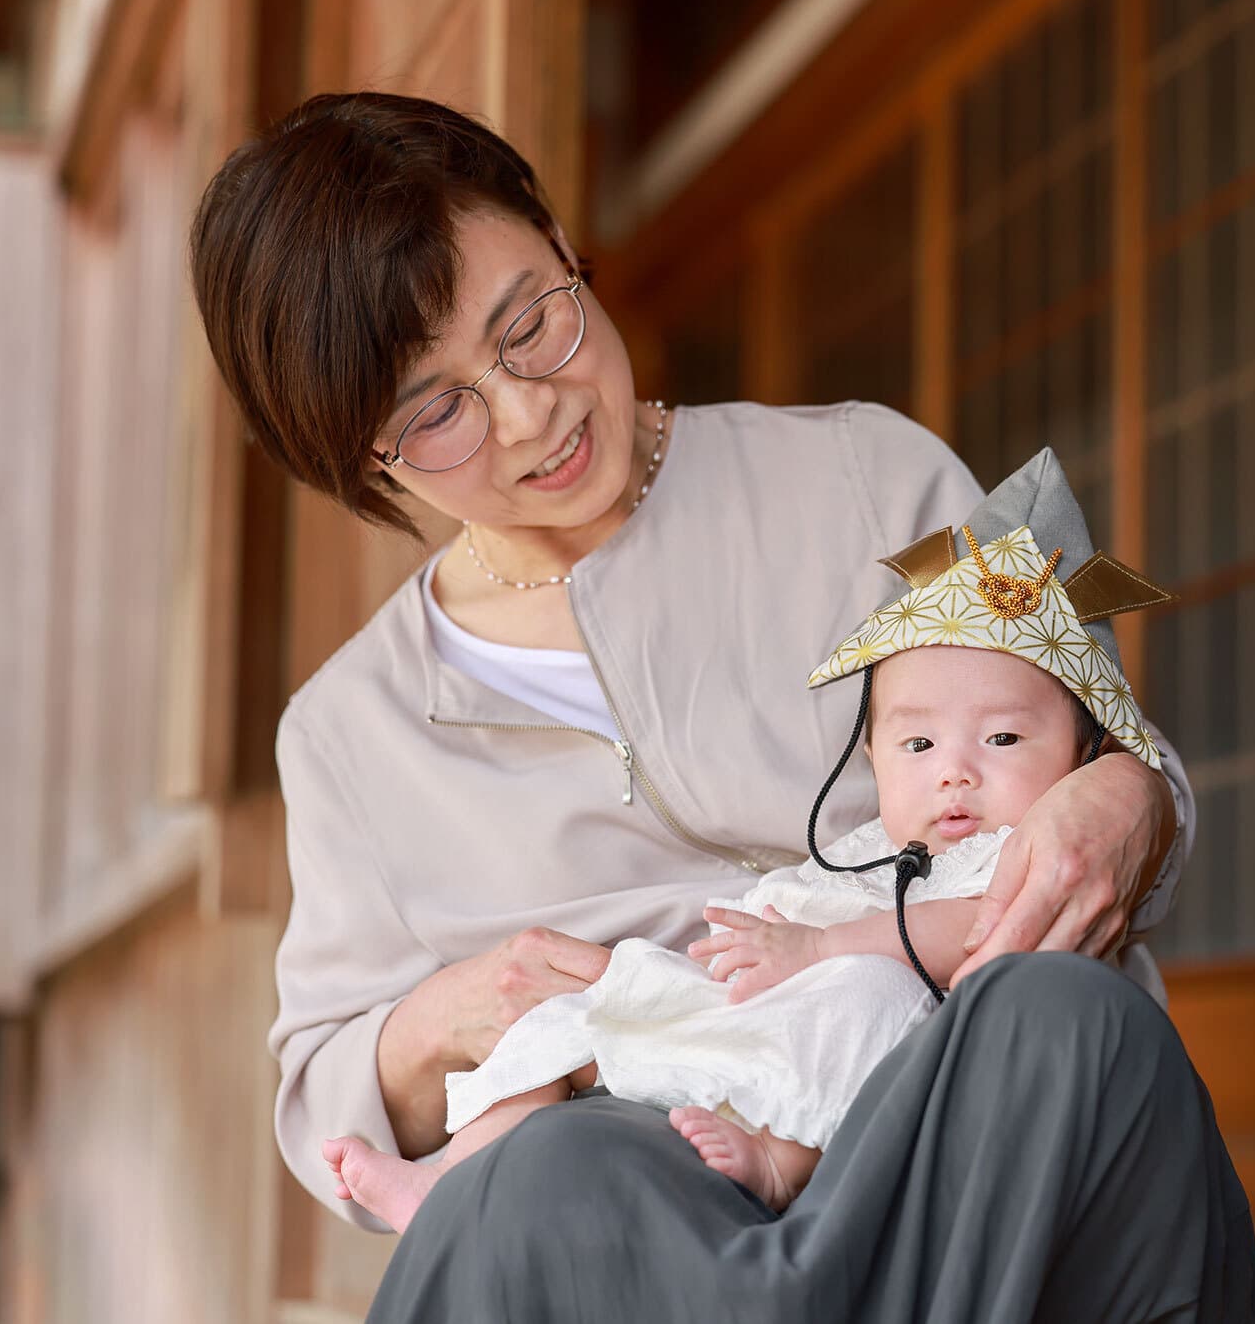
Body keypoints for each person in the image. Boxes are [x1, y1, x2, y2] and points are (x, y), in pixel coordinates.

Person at [191, 90, 1255, 1320]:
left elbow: (1094, 740)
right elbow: (323, 1089)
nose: (530, 410)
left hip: (961, 1130)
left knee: (1063, 1015)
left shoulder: (865, 474)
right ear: (357, 460)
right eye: (435, 410)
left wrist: (1127, 794)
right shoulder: (352, 731)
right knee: (553, 1174)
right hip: (649, 1211)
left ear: (557, 238)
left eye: (530, 320)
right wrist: (442, 1017)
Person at [322, 478, 1180, 1230]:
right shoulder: (870, 847)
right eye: (916, 745)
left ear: (1081, 752)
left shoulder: (1006, 851)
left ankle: (779, 1161)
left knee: (863, 994)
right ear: (871, 755)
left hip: (882, 1044)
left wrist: (817, 947)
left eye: (1001, 736)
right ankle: (447, 1179)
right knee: (576, 1012)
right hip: (749, 1000)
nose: (956, 772)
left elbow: (966, 930)